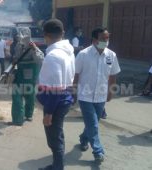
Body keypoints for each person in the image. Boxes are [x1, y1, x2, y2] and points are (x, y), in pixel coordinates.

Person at [73, 27, 121, 163]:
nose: (106, 41)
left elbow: (112, 76)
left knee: (92, 123)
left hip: (101, 96)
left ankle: (83, 138)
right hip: (85, 96)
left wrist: (110, 92)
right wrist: (74, 93)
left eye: (107, 38)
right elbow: (76, 75)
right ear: (94, 40)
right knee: (93, 124)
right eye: (103, 39)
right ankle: (98, 151)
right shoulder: (83, 54)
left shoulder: (111, 55)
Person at [36, 19, 75, 170]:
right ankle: (57, 164)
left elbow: (54, 90)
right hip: (64, 99)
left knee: (54, 138)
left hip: (55, 103)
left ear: (45, 35)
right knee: (57, 133)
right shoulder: (68, 51)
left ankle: (58, 167)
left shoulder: (53, 56)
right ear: (62, 33)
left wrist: (48, 113)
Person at [10, 28, 44, 126]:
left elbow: (40, 59)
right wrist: (12, 67)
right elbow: (15, 58)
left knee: (29, 96)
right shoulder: (17, 46)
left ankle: (28, 114)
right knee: (16, 96)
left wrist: (34, 49)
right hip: (19, 74)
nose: (20, 37)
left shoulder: (34, 47)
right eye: (19, 35)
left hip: (30, 77)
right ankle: (17, 119)